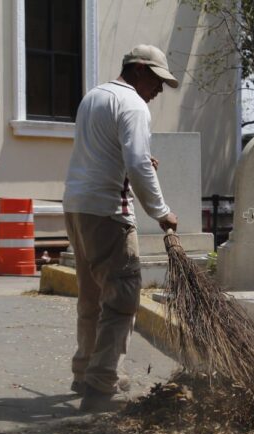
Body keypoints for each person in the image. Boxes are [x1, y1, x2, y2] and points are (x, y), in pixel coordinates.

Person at [63, 44, 179, 412]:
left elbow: (109, 153)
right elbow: (137, 164)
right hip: (110, 212)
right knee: (122, 300)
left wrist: (140, 161)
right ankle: (101, 384)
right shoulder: (134, 106)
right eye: (157, 81)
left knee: (91, 297)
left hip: (77, 207)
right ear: (140, 70)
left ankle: (85, 372)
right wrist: (162, 212)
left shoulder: (93, 97)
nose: (158, 90)